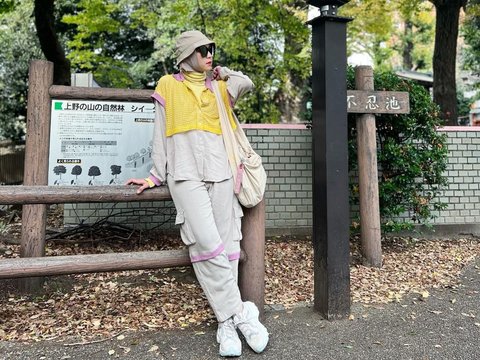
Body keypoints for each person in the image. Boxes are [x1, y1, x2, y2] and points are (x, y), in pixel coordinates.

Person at [126, 30, 269, 357]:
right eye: (202, 50)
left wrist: (226, 73)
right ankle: (242, 313)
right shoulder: (167, 86)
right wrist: (154, 175)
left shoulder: (220, 86)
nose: (209, 54)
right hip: (185, 173)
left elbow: (246, 83)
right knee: (205, 242)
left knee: (228, 244)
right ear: (186, 54)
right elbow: (160, 134)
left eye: (211, 49)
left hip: (222, 171)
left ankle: (226, 324)